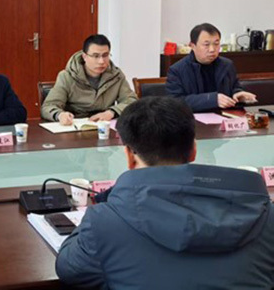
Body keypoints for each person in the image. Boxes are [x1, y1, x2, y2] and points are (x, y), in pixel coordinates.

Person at [56, 96, 274, 289]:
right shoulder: (266, 215)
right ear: (193, 150)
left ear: (129, 156)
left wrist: (103, 206)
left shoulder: (105, 221)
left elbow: (68, 269)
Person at [41, 34, 137, 124]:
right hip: (75, 125)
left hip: (104, 125)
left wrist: (111, 112)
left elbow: (131, 101)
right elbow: (48, 106)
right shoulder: (67, 76)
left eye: (105, 55)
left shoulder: (116, 75)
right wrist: (60, 115)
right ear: (84, 57)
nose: (101, 61)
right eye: (96, 56)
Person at [166, 23, 257, 112]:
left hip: (224, 116)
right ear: (192, 46)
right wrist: (212, 99)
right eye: (206, 45)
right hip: (193, 118)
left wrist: (238, 94)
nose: (212, 49)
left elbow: (234, 87)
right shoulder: (177, 70)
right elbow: (176, 102)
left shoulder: (227, 65)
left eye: (216, 44)